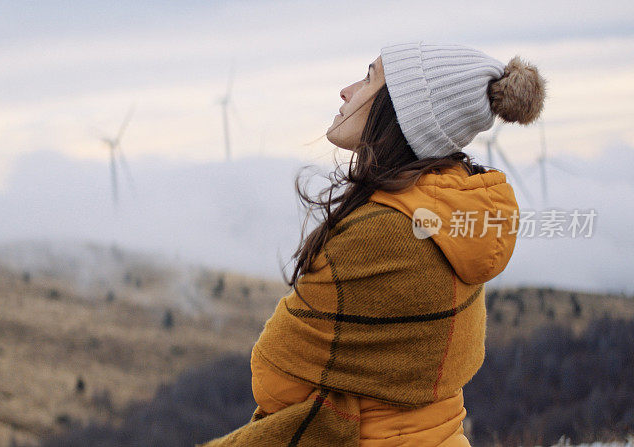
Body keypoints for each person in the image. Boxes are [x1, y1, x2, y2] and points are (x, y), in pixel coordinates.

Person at [199, 41, 546, 447]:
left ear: (402, 113)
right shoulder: (455, 213)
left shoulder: (379, 236)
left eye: (368, 78)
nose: (345, 91)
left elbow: (274, 380)